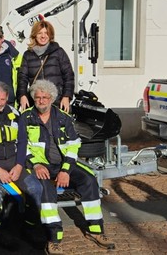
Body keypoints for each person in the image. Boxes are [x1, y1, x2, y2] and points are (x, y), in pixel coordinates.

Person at [17, 80, 115, 254]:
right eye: (37, 97)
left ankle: (96, 231)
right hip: (41, 165)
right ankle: (54, 238)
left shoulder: (64, 117)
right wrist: (36, 164)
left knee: (89, 180)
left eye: (45, 97)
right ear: (33, 98)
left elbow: (74, 145)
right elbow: (21, 146)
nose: (41, 101)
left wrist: (65, 170)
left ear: (52, 98)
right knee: (46, 189)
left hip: (64, 164)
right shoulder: (25, 118)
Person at [0, 81, 41, 227]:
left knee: (35, 188)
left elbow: (22, 141)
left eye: (2, 99)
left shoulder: (16, 114)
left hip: (13, 161)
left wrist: (18, 166)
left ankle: (30, 222)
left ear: (7, 98)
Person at [17, 20, 74, 112]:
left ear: (50, 35)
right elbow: (22, 78)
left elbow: (69, 76)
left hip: (57, 101)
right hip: (36, 101)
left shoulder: (59, 52)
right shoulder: (28, 55)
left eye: (46, 33)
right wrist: (22, 95)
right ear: (34, 35)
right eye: (40, 33)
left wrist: (66, 97)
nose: (43, 36)